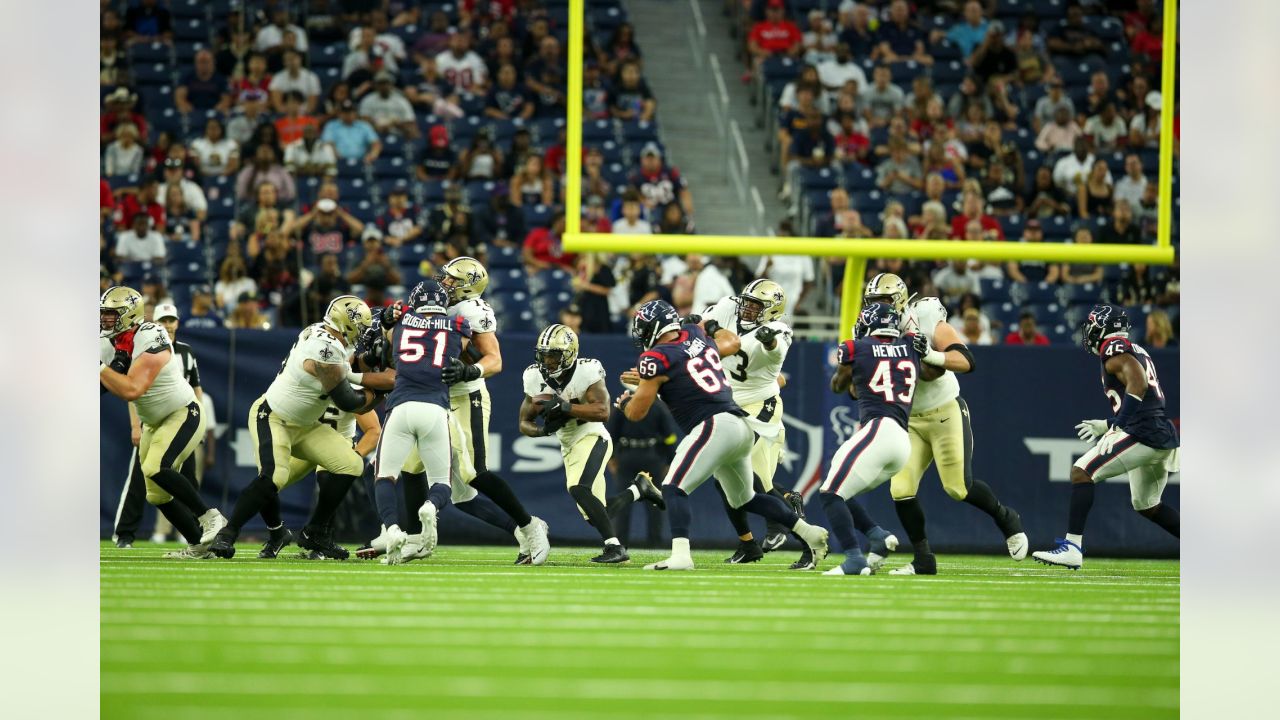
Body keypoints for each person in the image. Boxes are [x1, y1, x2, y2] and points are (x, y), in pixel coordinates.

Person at [615, 300, 829, 570]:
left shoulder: (655, 358)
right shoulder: (693, 334)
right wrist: (712, 329)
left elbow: (637, 413)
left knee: (673, 488)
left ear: (654, 328)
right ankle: (809, 533)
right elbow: (731, 342)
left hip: (713, 425)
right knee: (746, 498)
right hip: (740, 426)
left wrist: (625, 403)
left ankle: (681, 556)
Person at [863, 274, 1027, 575]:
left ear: (900, 302)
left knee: (957, 487)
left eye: (884, 302)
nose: (879, 309)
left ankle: (1006, 518)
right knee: (901, 489)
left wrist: (930, 354)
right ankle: (923, 558)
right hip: (908, 419)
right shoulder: (868, 330)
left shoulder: (924, 316)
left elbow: (965, 360)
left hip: (944, 411)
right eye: (873, 303)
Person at [208, 297, 380, 559]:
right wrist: (384, 389)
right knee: (273, 478)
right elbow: (350, 400)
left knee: (351, 464)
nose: (363, 334)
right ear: (347, 324)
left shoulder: (327, 337)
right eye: (360, 327)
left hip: (306, 424)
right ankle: (228, 532)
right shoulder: (326, 348)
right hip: (274, 416)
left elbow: (353, 365)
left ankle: (316, 531)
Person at [1032, 306, 1179, 569]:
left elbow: (1139, 384)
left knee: (1082, 471)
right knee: (1147, 505)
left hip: (1143, 432)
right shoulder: (1135, 349)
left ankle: (1072, 547)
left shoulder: (1114, 349)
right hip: (1159, 431)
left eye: (1092, 325)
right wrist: (1109, 422)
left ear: (1104, 327)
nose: (1088, 332)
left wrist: (1117, 426)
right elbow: (1149, 396)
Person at [430, 258, 553, 564]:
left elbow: (495, 360)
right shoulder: (433, 303)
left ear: (468, 287)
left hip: (465, 395)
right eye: (445, 277)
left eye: (452, 280)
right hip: (434, 396)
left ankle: (530, 525)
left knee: (474, 471)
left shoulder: (471, 311)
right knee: (456, 493)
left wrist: (469, 371)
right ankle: (400, 534)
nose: (444, 284)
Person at [100, 288, 227, 558]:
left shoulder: (152, 335)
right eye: (103, 314)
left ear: (129, 314)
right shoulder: (106, 340)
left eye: (111, 314)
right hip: (153, 422)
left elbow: (131, 389)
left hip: (183, 412)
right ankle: (199, 547)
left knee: (157, 466)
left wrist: (99, 368)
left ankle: (211, 517)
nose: (105, 320)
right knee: (156, 496)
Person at [698, 281, 812, 567]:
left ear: (771, 310)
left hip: (760, 407)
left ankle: (806, 538)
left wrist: (768, 341)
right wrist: (694, 323)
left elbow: (775, 351)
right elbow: (702, 323)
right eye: (747, 302)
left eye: (756, 305)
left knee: (752, 481)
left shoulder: (779, 331)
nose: (747, 308)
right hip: (729, 404)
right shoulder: (727, 308)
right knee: (725, 479)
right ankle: (749, 543)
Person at [518, 325, 649, 563]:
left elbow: (602, 411)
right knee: (595, 513)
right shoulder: (534, 376)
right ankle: (639, 490)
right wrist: (543, 430)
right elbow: (524, 422)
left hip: (592, 434)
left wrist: (565, 407)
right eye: (544, 354)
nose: (547, 360)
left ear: (569, 354)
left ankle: (615, 547)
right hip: (567, 441)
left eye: (554, 355)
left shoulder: (587, 370)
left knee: (578, 488)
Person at [366, 281, 472, 564]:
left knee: (385, 476)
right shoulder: (459, 325)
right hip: (435, 408)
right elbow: (459, 346)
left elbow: (383, 338)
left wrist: (391, 317)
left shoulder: (399, 322)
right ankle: (429, 506)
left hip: (401, 406)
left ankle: (392, 530)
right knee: (441, 483)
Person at [820, 303, 923, 576]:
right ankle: (876, 535)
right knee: (840, 490)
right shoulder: (912, 345)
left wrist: (852, 375)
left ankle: (854, 558)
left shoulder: (855, 347)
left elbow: (838, 385)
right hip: (901, 439)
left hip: (879, 428)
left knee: (830, 493)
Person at [112, 302, 207, 547]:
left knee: (185, 478)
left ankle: (202, 528)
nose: (167, 325)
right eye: (162, 320)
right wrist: (136, 426)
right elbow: (132, 391)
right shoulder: (140, 346)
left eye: (171, 320)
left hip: (180, 416)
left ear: (177, 322)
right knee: (144, 481)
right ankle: (125, 534)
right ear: (153, 323)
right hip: (151, 420)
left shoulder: (186, 352)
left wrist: (200, 424)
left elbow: (196, 389)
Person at [359, 71, 417, 138]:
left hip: (398, 136)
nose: (384, 86)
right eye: (381, 83)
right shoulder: (368, 100)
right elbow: (363, 121)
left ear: (391, 85)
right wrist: (376, 126)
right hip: (375, 136)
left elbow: (410, 122)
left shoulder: (401, 101)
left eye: (386, 83)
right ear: (375, 85)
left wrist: (397, 124)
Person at [321, 99, 382, 164]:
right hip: (337, 161)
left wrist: (372, 155)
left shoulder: (364, 126)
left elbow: (376, 143)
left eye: (350, 112)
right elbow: (327, 143)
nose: (348, 114)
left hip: (361, 161)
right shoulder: (331, 125)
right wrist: (334, 154)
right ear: (339, 113)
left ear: (355, 112)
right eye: (345, 112)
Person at [269, 50, 321, 114]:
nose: (291, 62)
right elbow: (277, 103)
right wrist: (285, 113)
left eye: (293, 58)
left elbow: (312, 104)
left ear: (300, 59)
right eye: (288, 59)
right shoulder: (278, 77)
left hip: (304, 114)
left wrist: (301, 114)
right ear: (284, 63)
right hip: (285, 114)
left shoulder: (311, 77)